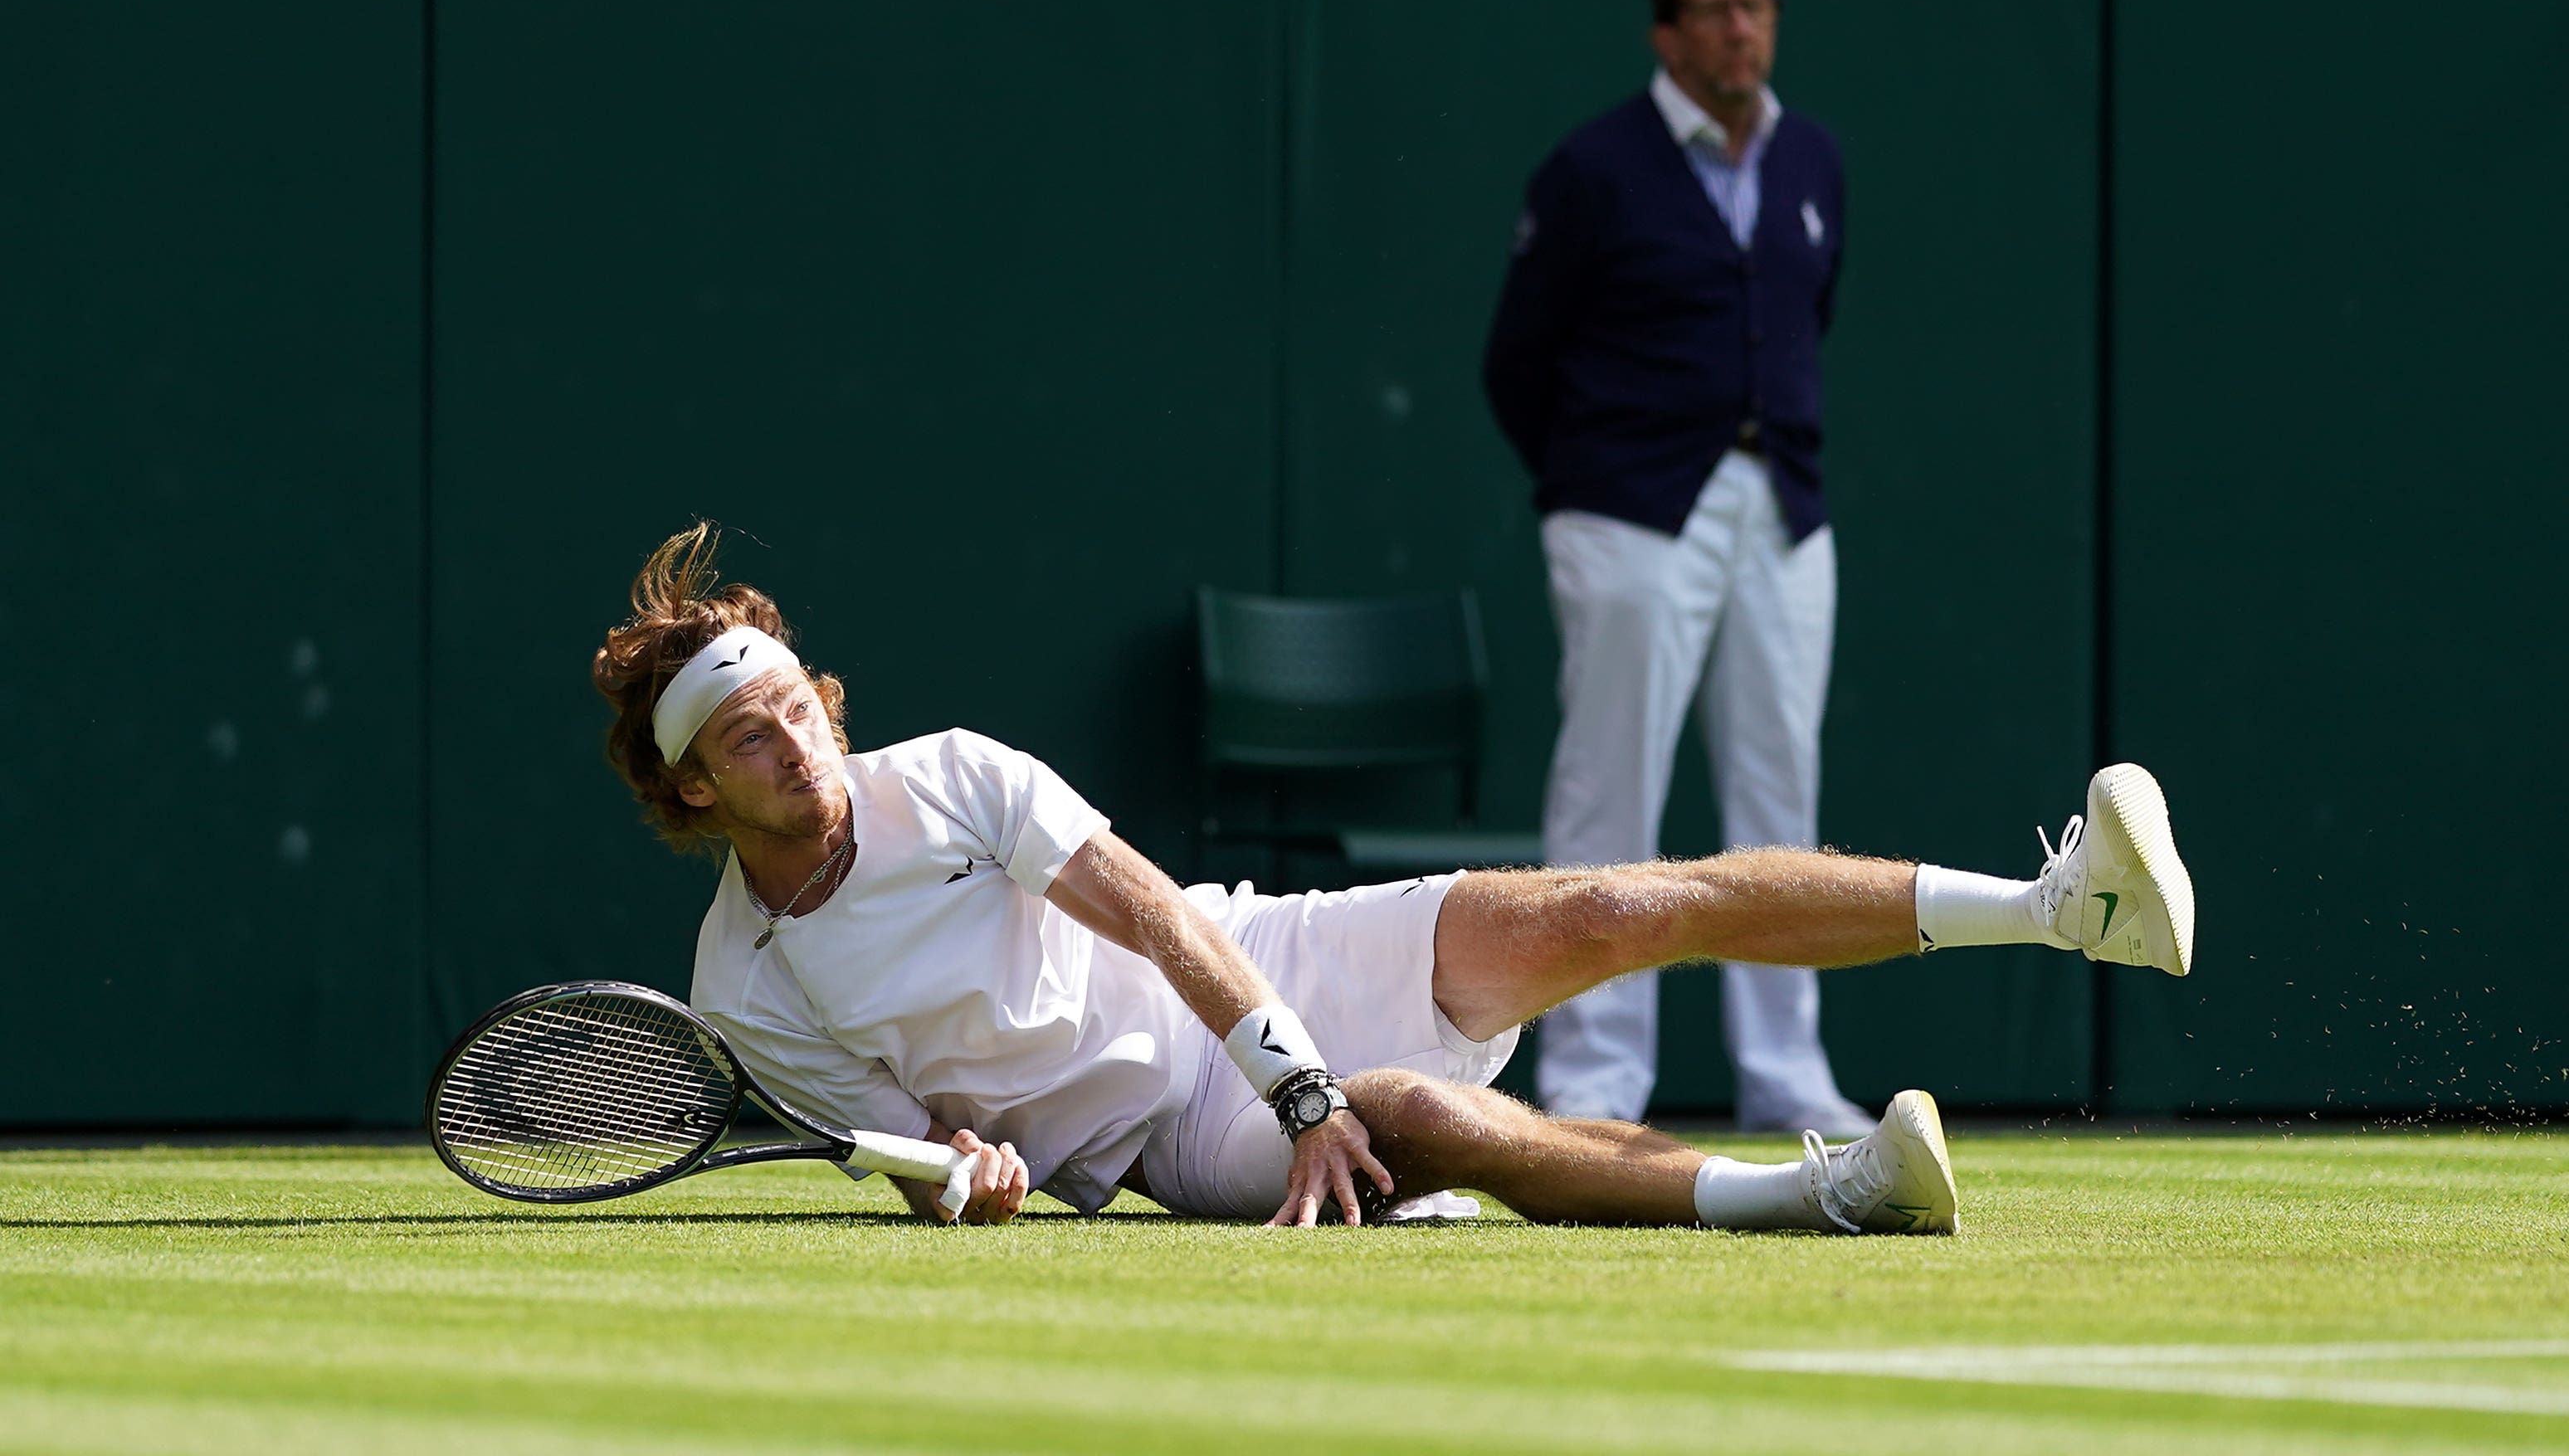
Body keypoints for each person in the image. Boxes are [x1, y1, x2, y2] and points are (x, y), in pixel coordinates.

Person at [592, 524, 2196, 1231]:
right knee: (1417, 1122)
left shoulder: (951, 775)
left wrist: (1295, 1079)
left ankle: (2062, 909)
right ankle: (1833, 1194)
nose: (795, 745)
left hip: (1246, 962)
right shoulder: (745, 989)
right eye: (748, 738)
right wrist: (967, 1179)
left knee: (1606, 909)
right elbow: (918, 1140)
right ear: (690, 787)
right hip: (1168, 1134)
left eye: (796, 705)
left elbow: (1150, 913)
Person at [1483, 0, 1867, 1134]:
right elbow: (1517, 360)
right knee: (1611, 804)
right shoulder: (1594, 168)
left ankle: (1785, 1075)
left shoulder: (1813, 162)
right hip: (1629, 514)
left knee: (1780, 798)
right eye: (1713, 8)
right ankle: (1595, 1082)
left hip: (1784, 515)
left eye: (1755, 5)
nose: (1739, 27)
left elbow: (1814, 317)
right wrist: (1591, 488)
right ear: (1668, 31)